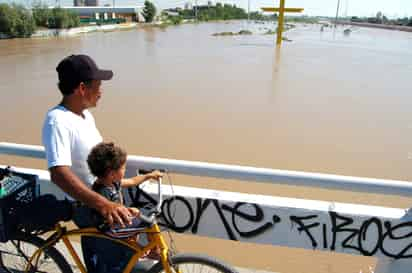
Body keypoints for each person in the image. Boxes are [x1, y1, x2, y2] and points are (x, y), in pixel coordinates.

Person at [42, 54, 139, 272]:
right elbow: (58, 173)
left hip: (104, 201)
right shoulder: (57, 121)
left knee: (125, 259)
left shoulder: (85, 116)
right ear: (81, 88)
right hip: (89, 209)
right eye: (98, 85)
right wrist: (103, 204)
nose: (101, 91)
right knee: (108, 267)